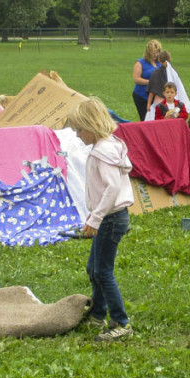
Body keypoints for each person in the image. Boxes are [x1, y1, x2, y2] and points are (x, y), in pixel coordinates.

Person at [66, 96, 135, 342]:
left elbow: (111, 189)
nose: (77, 135)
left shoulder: (103, 152)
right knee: (93, 268)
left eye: (79, 130)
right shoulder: (107, 145)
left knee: (103, 271)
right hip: (110, 218)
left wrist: (94, 220)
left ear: (92, 125)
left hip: (111, 219)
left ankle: (121, 322)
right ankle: (97, 314)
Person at [131, 40, 162, 120]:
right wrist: (151, 82)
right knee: (146, 119)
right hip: (142, 95)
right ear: (148, 52)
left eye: (157, 52)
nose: (155, 54)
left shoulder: (159, 63)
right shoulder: (140, 63)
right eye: (153, 52)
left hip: (156, 96)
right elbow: (136, 79)